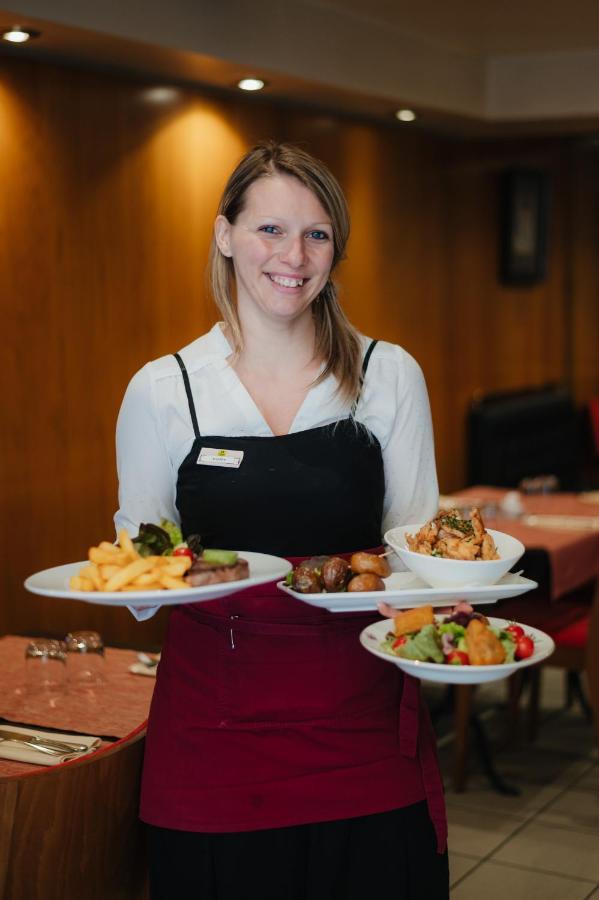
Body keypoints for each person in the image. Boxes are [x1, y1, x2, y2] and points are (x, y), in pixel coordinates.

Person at [115, 141, 449, 899]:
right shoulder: (165, 390)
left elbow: (414, 546)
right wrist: (167, 569)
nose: (292, 255)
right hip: (214, 733)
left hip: (360, 721)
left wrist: (442, 597)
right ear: (224, 234)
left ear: (336, 250)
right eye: (269, 229)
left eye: (316, 233)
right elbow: (138, 570)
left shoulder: (384, 374)